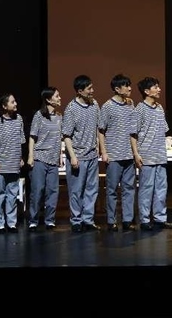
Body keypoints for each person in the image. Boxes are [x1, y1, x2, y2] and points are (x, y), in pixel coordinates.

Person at [132, 76, 172, 231]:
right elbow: (133, 134)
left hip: (160, 155)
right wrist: (136, 154)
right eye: (155, 87)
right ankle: (144, 219)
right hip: (147, 156)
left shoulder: (159, 108)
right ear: (146, 91)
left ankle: (160, 218)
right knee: (146, 188)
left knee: (161, 189)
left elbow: (164, 130)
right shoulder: (140, 109)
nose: (159, 89)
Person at [62, 74, 103, 233]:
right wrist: (72, 156)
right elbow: (66, 135)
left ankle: (88, 220)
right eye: (89, 88)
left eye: (92, 87)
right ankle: (76, 220)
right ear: (80, 91)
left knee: (92, 189)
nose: (92, 91)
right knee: (76, 190)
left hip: (92, 155)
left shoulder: (94, 104)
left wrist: (99, 147)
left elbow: (98, 128)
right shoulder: (71, 108)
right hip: (78, 156)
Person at [98, 74, 138, 232]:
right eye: (126, 85)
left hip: (129, 154)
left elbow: (133, 129)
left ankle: (127, 220)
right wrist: (104, 151)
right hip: (114, 155)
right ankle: (111, 220)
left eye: (129, 85)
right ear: (117, 88)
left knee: (129, 188)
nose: (129, 88)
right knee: (112, 189)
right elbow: (101, 130)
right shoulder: (107, 106)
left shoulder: (130, 104)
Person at [0, 93, 26, 233]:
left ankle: (11, 223)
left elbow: (20, 141)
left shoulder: (19, 119)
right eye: (12, 102)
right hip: (0, 164)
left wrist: (20, 158)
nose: (15, 104)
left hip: (13, 165)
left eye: (15, 101)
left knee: (12, 195)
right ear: (4, 106)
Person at [27, 86, 63, 231]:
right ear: (48, 99)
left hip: (53, 160)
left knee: (53, 191)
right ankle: (33, 220)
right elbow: (32, 137)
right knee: (37, 190)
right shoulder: (39, 115)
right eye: (57, 96)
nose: (60, 98)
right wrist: (31, 156)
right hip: (40, 158)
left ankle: (50, 220)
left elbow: (58, 139)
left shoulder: (59, 117)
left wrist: (59, 155)